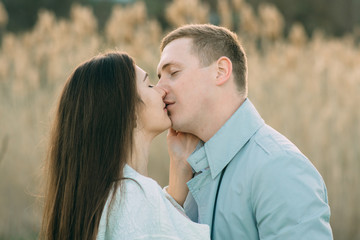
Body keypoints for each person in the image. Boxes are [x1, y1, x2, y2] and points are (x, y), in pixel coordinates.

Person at [157, 24, 333, 239]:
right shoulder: (189, 169)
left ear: (220, 71)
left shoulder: (280, 168)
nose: (160, 88)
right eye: (158, 77)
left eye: (173, 72)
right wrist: (178, 179)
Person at [40, 52, 210, 240]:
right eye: (149, 84)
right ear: (130, 113)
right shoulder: (135, 198)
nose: (161, 91)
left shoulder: (105, 199)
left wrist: (180, 164)